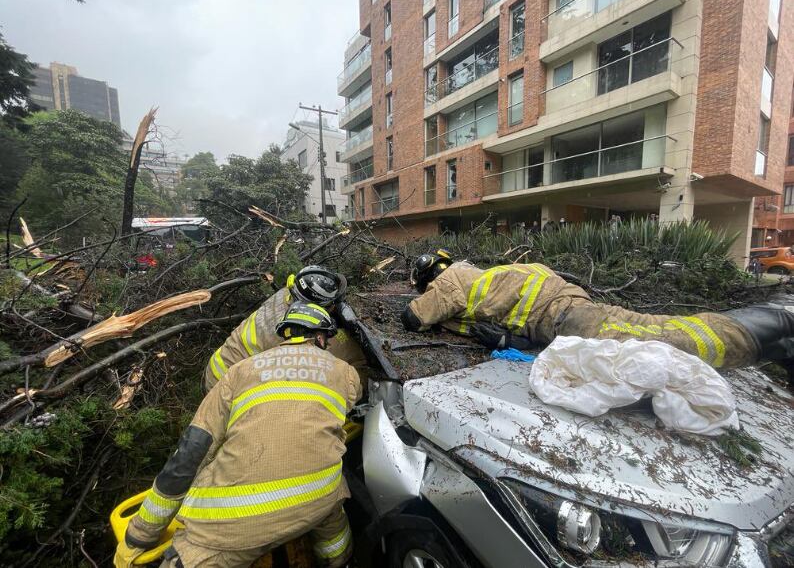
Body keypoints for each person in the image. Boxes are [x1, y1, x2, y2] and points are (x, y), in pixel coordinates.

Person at [115, 302, 362, 568]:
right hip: (317, 498)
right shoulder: (345, 373)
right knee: (332, 510)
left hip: (231, 526)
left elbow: (192, 450)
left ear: (286, 333)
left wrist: (140, 534)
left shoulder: (240, 371)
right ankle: (341, 559)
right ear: (322, 337)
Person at [401, 251, 794, 368]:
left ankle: (778, 317)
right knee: (657, 328)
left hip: (566, 317)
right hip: (568, 312)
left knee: (665, 343)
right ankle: (777, 343)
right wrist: (509, 340)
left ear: (429, 276)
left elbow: (414, 317)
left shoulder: (452, 280)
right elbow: (517, 315)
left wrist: (413, 304)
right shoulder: (486, 279)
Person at [204, 265, 366, 391]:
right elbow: (336, 353)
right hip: (228, 387)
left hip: (220, 366)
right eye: (331, 305)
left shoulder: (286, 294)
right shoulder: (291, 330)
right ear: (312, 308)